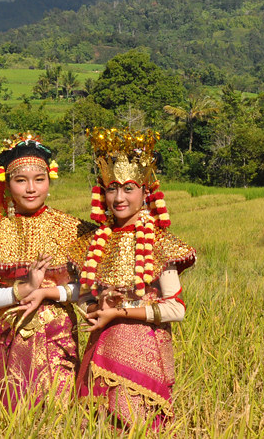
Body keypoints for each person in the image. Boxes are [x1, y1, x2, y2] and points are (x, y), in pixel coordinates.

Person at [74, 128, 196, 430]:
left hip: (146, 358)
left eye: (128, 188)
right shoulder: (94, 242)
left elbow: (176, 309)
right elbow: (83, 298)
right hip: (101, 350)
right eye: (112, 188)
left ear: (145, 192)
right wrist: (99, 305)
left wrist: (121, 312)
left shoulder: (159, 242)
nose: (118, 198)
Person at [0, 133, 96, 408]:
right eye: (20, 180)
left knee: (59, 413)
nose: (31, 188)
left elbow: (87, 289)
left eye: (39, 179)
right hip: (11, 337)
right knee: (9, 414)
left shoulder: (76, 231)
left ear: (50, 181)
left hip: (58, 337)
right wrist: (24, 289)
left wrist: (49, 292)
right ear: (7, 184)